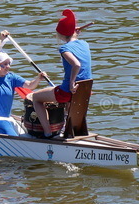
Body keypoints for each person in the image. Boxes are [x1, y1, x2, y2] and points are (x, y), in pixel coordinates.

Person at [30, 9, 93, 138]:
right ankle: (69, 129)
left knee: (35, 98)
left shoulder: (64, 48)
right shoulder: (85, 44)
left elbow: (76, 64)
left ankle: (48, 133)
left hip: (68, 91)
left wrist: (71, 84)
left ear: (61, 35)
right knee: (54, 91)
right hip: (84, 90)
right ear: (75, 31)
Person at [0, 30, 48, 118]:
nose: (8, 66)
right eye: (5, 64)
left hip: (5, 118)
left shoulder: (12, 78)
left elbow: (30, 85)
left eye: (9, 63)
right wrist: (0, 40)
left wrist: (38, 78)